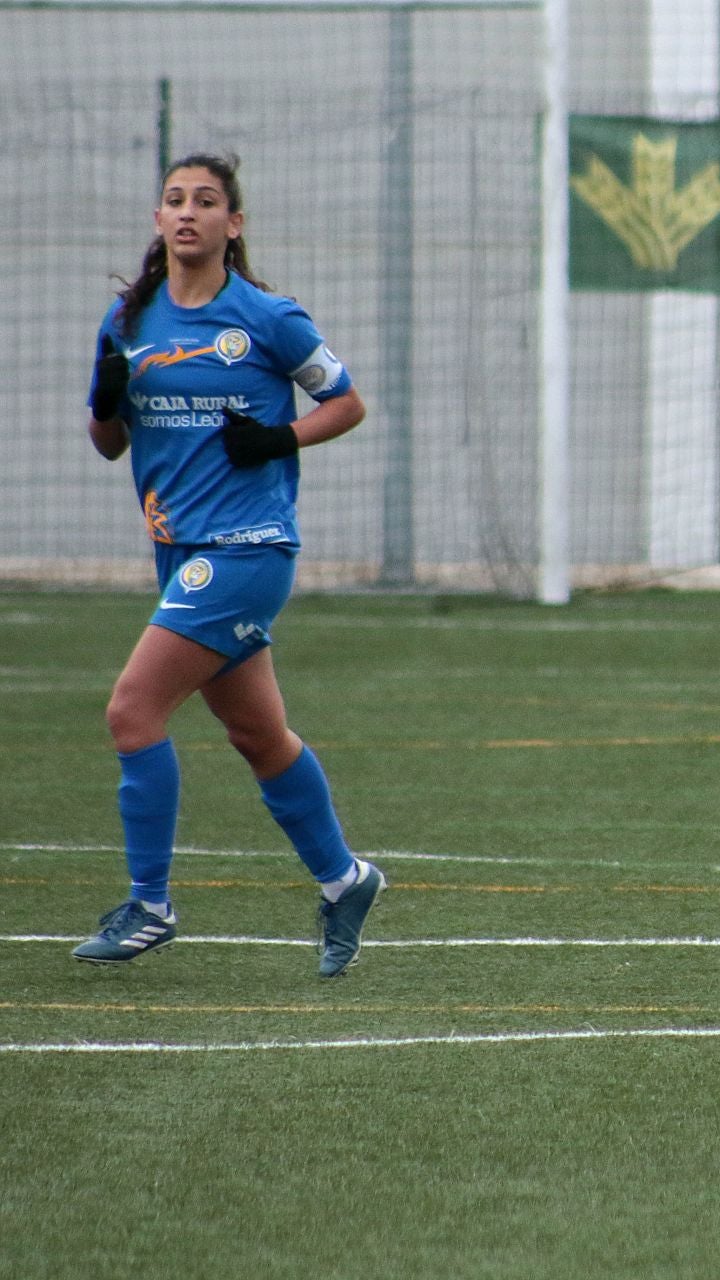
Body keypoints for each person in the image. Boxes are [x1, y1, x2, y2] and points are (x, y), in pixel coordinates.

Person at [74, 153, 384, 978]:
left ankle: (149, 905)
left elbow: (346, 402)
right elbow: (108, 444)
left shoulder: (268, 317)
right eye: (173, 200)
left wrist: (280, 437)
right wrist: (108, 400)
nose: (187, 213)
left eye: (205, 202)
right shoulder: (128, 321)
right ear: (157, 220)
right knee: (257, 734)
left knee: (132, 711)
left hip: (245, 549)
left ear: (232, 225)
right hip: (178, 552)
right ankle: (345, 879)